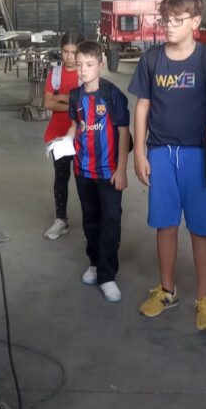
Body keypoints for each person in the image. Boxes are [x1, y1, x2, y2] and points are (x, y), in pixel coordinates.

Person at [130, 0, 206, 332]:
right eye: (166, 20)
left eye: (177, 20)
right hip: (161, 154)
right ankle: (167, 290)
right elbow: (142, 107)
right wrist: (140, 153)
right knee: (166, 224)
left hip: (198, 156)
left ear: (195, 22)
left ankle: (204, 298)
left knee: (201, 228)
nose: (169, 26)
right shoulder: (151, 60)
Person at [64, 40, 131, 303]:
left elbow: (124, 132)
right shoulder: (74, 96)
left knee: (110, 221)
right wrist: (66, 140)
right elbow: (75, 125)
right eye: (79, 64)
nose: (83, 70)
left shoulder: (113, 95)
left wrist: (121, 169)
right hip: (82, 170)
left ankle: (107, 275)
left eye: (89, 64)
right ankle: (94, 263)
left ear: (101, 65)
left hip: (108, 172)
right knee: (90, 220)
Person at [42, 30, 84, 240]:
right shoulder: (55, 74)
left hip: (83, 137)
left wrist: (60, 98)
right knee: (61, 178)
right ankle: (61, 220)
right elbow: (47, 103)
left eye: (73, 52)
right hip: (58, 135)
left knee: (84, 181)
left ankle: (90, 224)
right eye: (65, 51)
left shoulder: (85, 73)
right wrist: (73, 103)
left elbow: (87, 104)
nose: (69, 57)